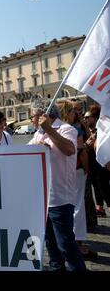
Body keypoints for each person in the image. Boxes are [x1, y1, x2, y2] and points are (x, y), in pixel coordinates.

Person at [28, 100, 86, 271]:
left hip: (60, 198)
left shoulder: (67, 129)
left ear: (42, 115)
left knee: (66, 245)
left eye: (32, 116)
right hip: (43, 198)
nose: (31, 120)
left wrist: (49, 130)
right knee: (52, 247)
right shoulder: (38, 134)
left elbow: (69, 149)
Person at [58, 100, 97, 260]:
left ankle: (69, 242)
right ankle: (78, 244)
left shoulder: (55, 128)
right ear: (68, 112)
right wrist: (87, 168)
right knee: (78, 206)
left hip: (62, 172)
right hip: (77, 169)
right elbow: (82, 151)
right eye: (75, 110)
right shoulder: (73, 129)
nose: (78, 113)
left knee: (67, 205)